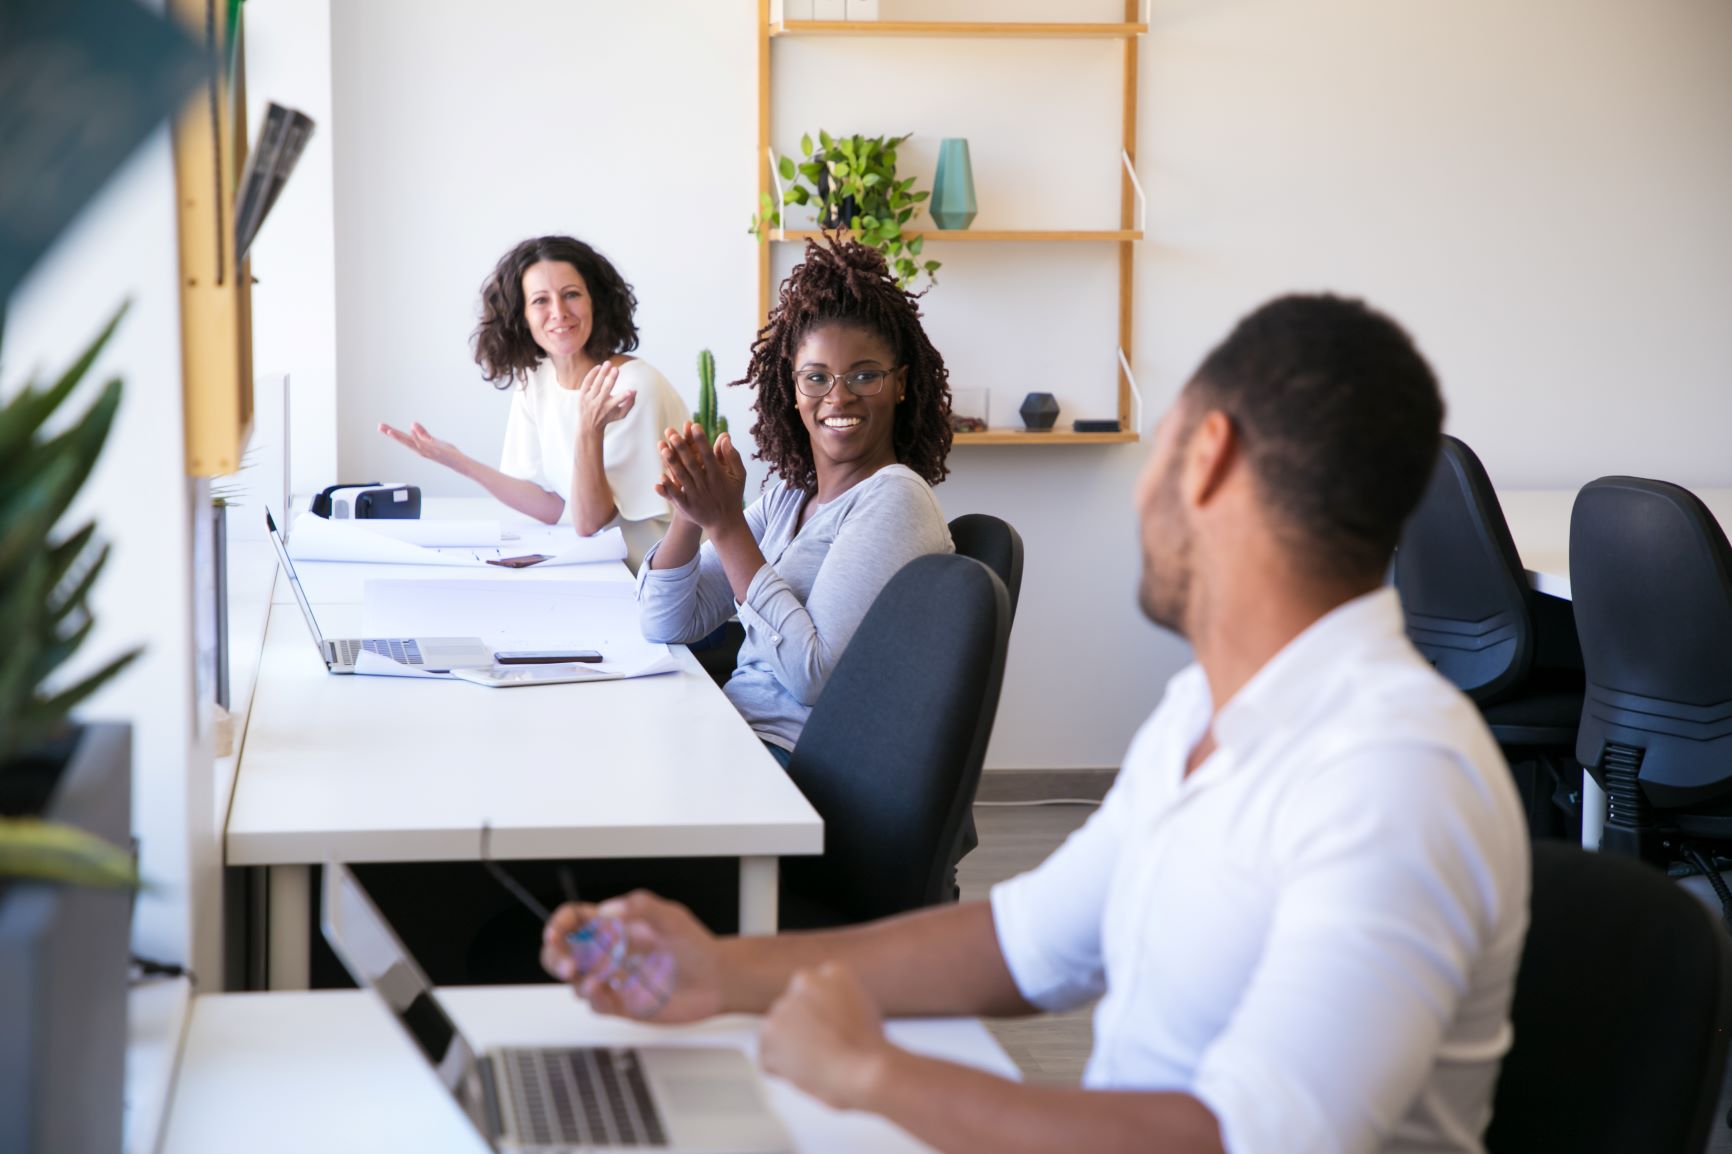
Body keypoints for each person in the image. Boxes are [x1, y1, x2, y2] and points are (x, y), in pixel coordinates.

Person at [543, 294, 1531, 1154]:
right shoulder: (1208, 710)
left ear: (1210, 457)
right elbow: (1027, 943)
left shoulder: (1395, 775)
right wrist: (719, 969)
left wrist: (873, 1073)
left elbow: (1242, 1139)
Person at [636, 238, 955, 762]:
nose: (839, 395)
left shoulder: (895, 499)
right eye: (817, 377)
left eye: (864, 375)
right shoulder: (790, 496)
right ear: (794, 387)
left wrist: (728, 526)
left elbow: (813, 675)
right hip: (735, 734)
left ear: (899, 384)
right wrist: (691, 515)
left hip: (795, 762)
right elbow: (665, 622)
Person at [378, 235, 688, 565]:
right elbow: (552, 505)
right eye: (540, 300)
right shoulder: (535, 379)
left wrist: (587, 429)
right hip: (600, 569)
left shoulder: (634, 385)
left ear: (595, 301)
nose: (559, 312)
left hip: (658, 580)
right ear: (521, 315)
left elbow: (590, 521)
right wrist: (460, 462)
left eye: (571, 295)